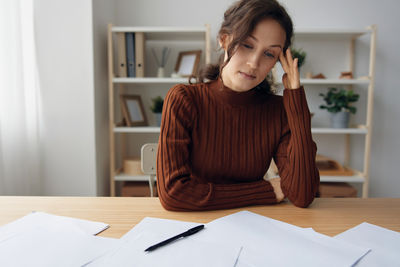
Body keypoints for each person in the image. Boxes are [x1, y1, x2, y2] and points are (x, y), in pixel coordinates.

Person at [156, 0, 320, 211]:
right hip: (193, 226)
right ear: (224, 40)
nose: (254, 63)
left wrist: (295, 99)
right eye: (247, 45)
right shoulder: (184, 100)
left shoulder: (278, 110)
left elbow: (302, 194)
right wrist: (265, 190)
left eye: (269, 54)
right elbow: (173, 194)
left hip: (252, 228)